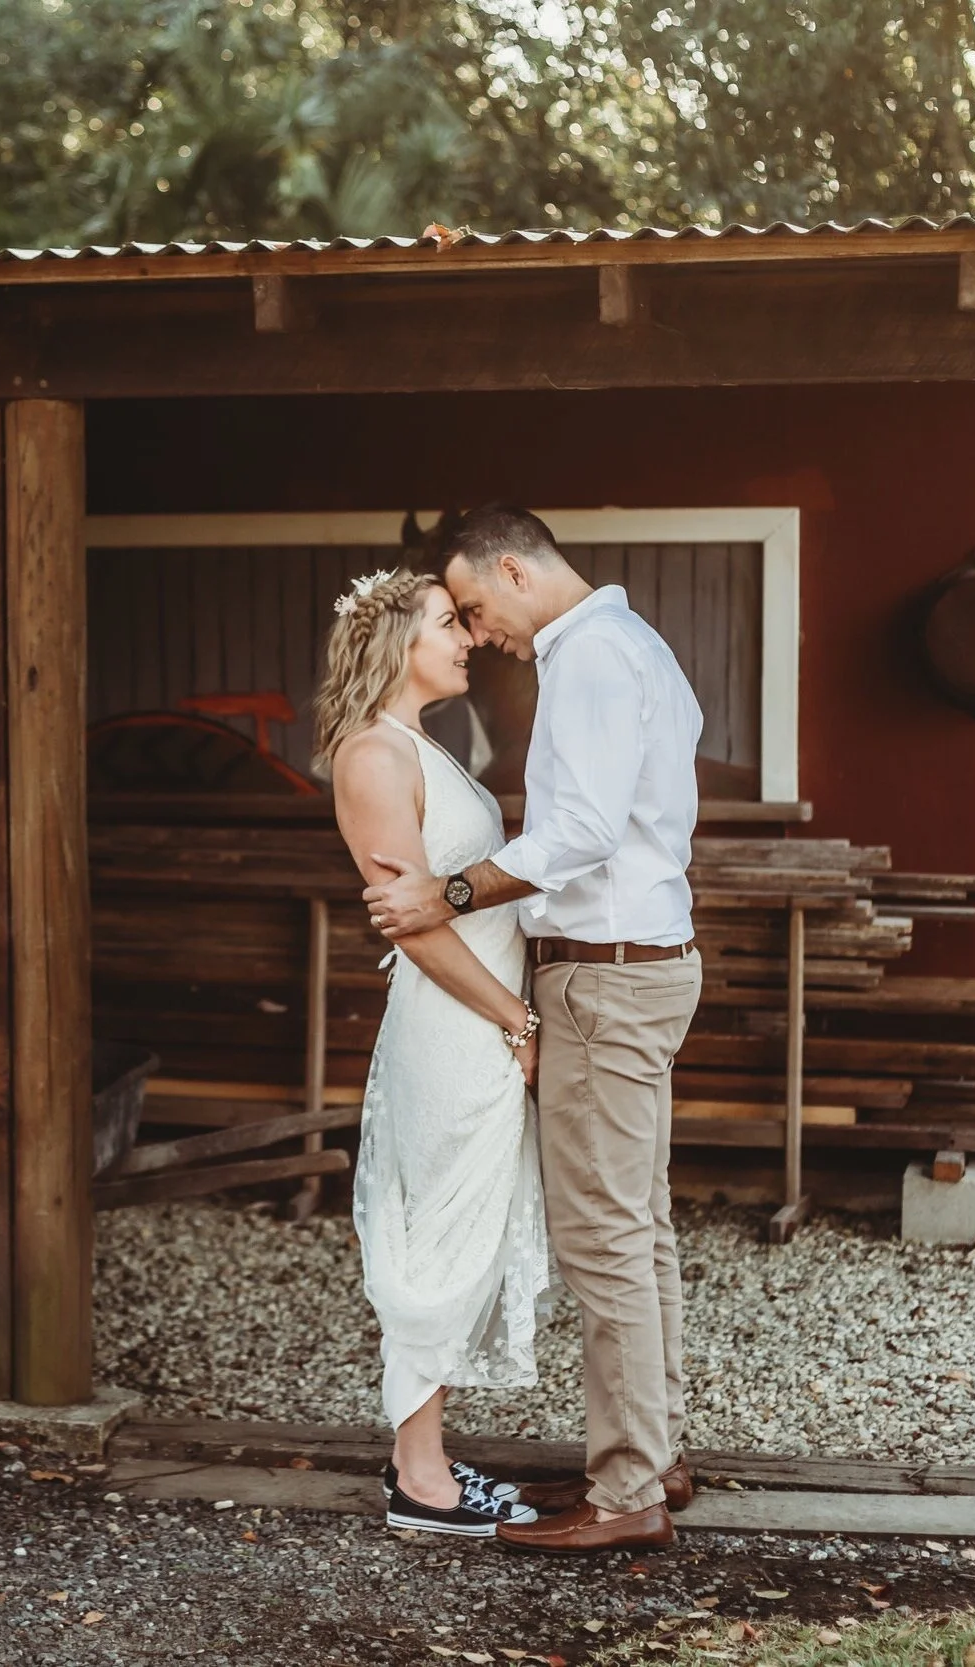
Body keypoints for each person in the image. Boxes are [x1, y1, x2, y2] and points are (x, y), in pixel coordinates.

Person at [363, 508, 704, 1555]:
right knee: (634, 1227)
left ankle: (624, 1493)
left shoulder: (594, 656)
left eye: (474, 605)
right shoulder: (626, 644)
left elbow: (582, 833)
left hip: (604, 980)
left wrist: (446, 891)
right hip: (631, 972)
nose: (479, 631)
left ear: (513, 568)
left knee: (604, 1238)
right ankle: (654, 1453)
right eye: (455, 619)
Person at [314, 567, 551, 1538]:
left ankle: (427, 1463)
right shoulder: (372, 755)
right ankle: (419, 1481)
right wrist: (514, 1018)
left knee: (465, 1232)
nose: (466, 638)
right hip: (452, 1027)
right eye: (448, 624)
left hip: (480, 1020)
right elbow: (411, 924)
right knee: (434, 1240)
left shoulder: (418, 745)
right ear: (394, 642)